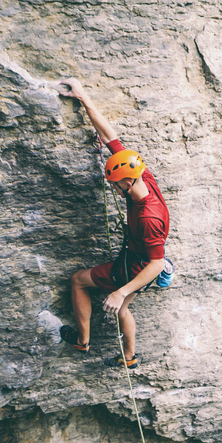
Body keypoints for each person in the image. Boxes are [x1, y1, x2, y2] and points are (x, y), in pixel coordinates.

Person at [58, 78, 170, 369]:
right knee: (124, 308)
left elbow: (156, 264)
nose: (113, 190)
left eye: (114, 186)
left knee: (78, 281)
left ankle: (82, 341)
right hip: (138, 258)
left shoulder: (148, 217)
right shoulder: (142, 175)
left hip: (136, 266)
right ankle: (129, 357)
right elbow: (110, 137)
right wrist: (83, 97)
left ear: (126, 183)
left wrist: (120, 290)